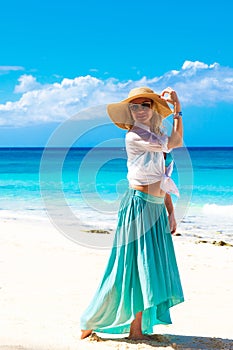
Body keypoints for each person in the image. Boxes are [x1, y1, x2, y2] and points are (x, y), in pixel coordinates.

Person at [80, 86, 184, 340]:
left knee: (148, 268)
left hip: (156, 208)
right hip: (138, 206)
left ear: (152, 109)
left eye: (144, 105)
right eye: (134, 107)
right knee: (130, 267)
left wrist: (170, 211)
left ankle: (136, 329)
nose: (139, 111)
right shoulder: (134, 136)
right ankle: (91, 322)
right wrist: (178, 109)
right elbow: (175, 143)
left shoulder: (156, 133)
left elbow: (163, 178)